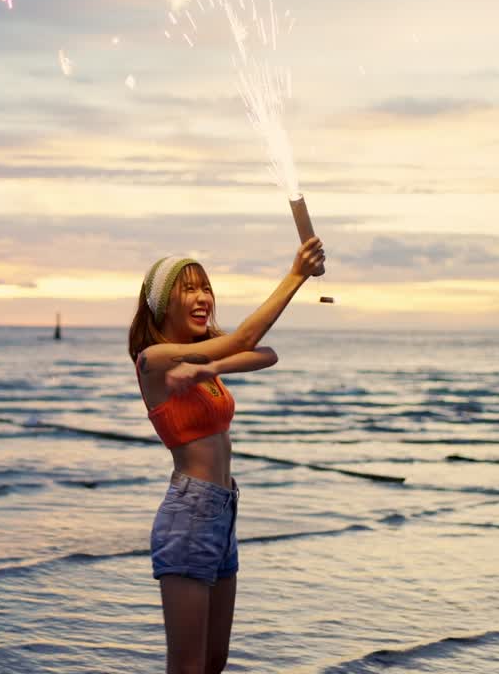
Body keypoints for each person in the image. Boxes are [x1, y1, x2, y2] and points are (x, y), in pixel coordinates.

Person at [128, 237, 326, 673]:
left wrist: (211, 368)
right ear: (163, 303)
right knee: (188, 666)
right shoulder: (154, 360)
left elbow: (266, 354)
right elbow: (249, 337)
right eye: (189, 289)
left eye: (206, 288)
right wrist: (297, 274)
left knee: (214, 662)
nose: (203, 299)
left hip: (222, 510)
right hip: (189, 513)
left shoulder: (203, 356)